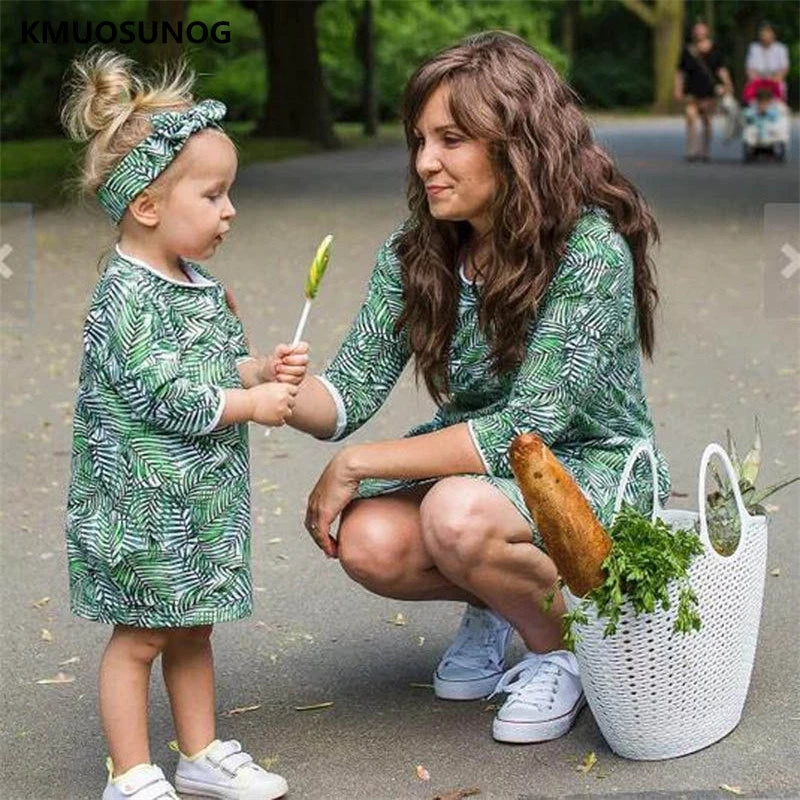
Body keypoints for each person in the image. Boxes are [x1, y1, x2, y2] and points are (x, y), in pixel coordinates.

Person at [283, 31, 671, 745]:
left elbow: (524, 427)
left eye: (452, 139)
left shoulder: (588, 251)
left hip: (588, 470)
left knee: (456, 516)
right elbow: (345, 397)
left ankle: (568, 650)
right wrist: (266, 387)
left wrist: (359, 464)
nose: (426, 161)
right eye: (421, 139)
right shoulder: (419, 250)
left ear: (517, 141)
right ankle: (504, 600)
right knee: (368, 539)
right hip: (481, 476)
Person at [61, 49, 308, 800]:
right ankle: (130, 774)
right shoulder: (124, 295)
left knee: (194, 626)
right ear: (147, 206)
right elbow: (164, 394)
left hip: (195, 505)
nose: (230, 210)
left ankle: (198, 755)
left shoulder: (198, 283)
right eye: (214, 195)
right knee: (139, 637)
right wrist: (250, 406)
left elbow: (208, 376)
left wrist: (257, 372)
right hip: (140, 507)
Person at [674, 21, 734, 162]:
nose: (699, 33)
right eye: (697, 30)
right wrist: (678, 89)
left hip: (709, 91)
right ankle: (691, 149)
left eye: (702, 30)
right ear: (693, 32)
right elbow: (680, 72)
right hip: (692, 91)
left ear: (706, 31)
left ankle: (704, 150)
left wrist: (728, 84)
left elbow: (721, 69)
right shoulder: (687, 50)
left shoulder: (715, 49)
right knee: (690, 116)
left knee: (706, 120)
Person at [746, 21, 790, 102]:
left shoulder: (781, 48)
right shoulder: (753, 48)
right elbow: (750, 68)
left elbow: (784, 68)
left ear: (773, 34)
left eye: (767, 32)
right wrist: (757, 79)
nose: (764, 35)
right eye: (762, 33)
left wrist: (774, 79)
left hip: (775, 79)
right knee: (751, 88)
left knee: (779, 88)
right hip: (758, 80)